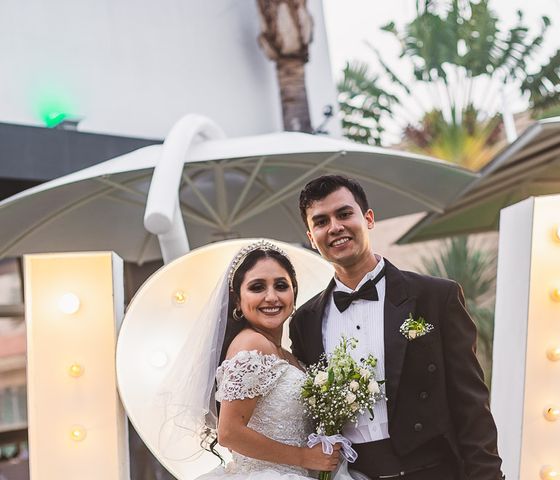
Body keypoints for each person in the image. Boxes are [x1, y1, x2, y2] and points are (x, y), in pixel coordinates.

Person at [290, 175, 505, 480]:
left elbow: (471, 403)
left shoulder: (435, 297)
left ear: (368, 219)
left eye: (344, 214)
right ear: (312, 237)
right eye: (321, 221)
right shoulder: (305, 321)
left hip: (435, 471)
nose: (335, 227)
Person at [160, 240, 346, 479]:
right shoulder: (251, 345)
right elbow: (229, 433)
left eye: (281, 285)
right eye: (257, 287)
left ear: (293, 292)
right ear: (237, 299)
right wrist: (303, 456)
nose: (271, 297)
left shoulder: (287, 354)